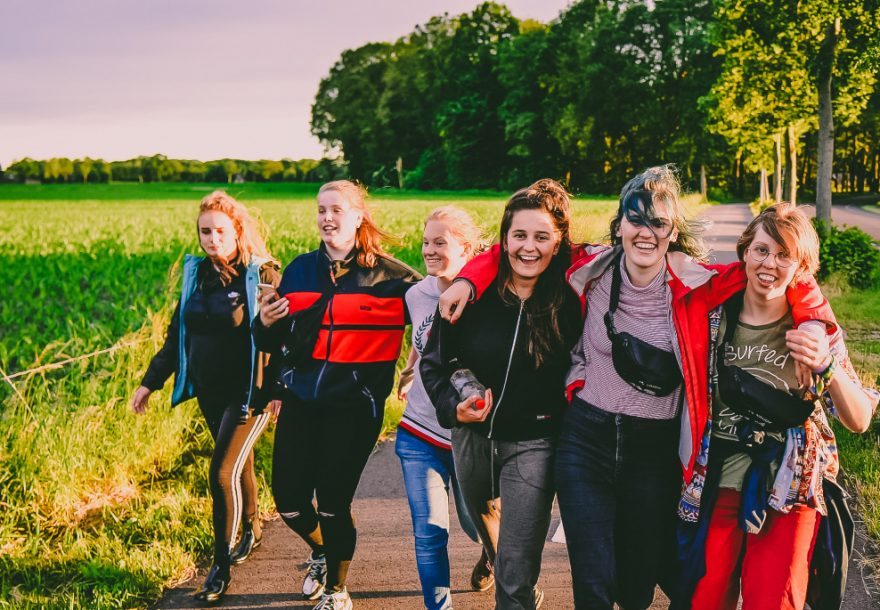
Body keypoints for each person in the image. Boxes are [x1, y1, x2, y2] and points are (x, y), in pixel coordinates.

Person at [439, 166, 834, 609]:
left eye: (659, 222)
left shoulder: (700, 284)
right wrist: (468, 277)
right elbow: (523, 245)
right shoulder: (589, 267)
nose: (646, 231)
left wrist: (815, 324)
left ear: (672, 231)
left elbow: (784, 268)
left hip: (654, 451)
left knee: (635, 588)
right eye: (635, 218)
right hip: (586, 441)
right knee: (593, 585)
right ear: (620, 224)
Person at [678, 203, 878, 610]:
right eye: (762, 250)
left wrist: (827, 366)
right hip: (717, 486)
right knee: (704, 600)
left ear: (803, 267)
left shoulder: (815, 330)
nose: (770, 264)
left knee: (773, 601)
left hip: (790, 490)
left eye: (785, 255)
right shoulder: (714, 314)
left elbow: (858, 419)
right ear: (745, 252)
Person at [253, 180, 421, 610]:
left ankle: (337, 589)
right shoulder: (300, 270)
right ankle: (322, 552)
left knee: (332, 501)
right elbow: (273, 342)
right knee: (288, 500)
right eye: (321, 210)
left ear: (358, 216)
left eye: (336, 210)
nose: (327, 218)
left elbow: (437, 319)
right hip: (301, 401)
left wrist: (415, 367)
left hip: (354, 407)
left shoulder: (395, 278)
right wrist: (265, 324)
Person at [420, 179, 583, 610]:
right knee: (480, 523)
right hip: (472, 438)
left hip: (536, 441)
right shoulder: (471, 296)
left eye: (541, 237)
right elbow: (433, 364)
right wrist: (453, 409)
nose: (529, 248)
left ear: (557, 242)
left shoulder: (571, 300)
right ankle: (498, 564)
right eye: (519, 236)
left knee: (516, 570)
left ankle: (515, 588)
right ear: (504, 240)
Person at [131, 190, 280, 603]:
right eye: (205, 232)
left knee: (220, 472)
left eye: (219, 231)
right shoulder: (196, 276)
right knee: (238, 463)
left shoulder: (261, 274)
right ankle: (251, 526)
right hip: (209, 391)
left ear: (237, 230)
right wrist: (150, 382)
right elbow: (177, 333)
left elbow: (284, 337)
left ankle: (220, 568)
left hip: (251, 393)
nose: (212, 239)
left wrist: (280, 389)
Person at [395, 206, 495, 610]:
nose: (429, 251)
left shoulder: (490, 296)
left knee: (478, 525)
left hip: (471, 435)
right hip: (420, 429)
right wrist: (410, 367)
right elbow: (426, 344)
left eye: (441, 243)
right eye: (425, 243)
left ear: (467, 248)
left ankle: (496, 558)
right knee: (430, 530)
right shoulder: (416, 294)